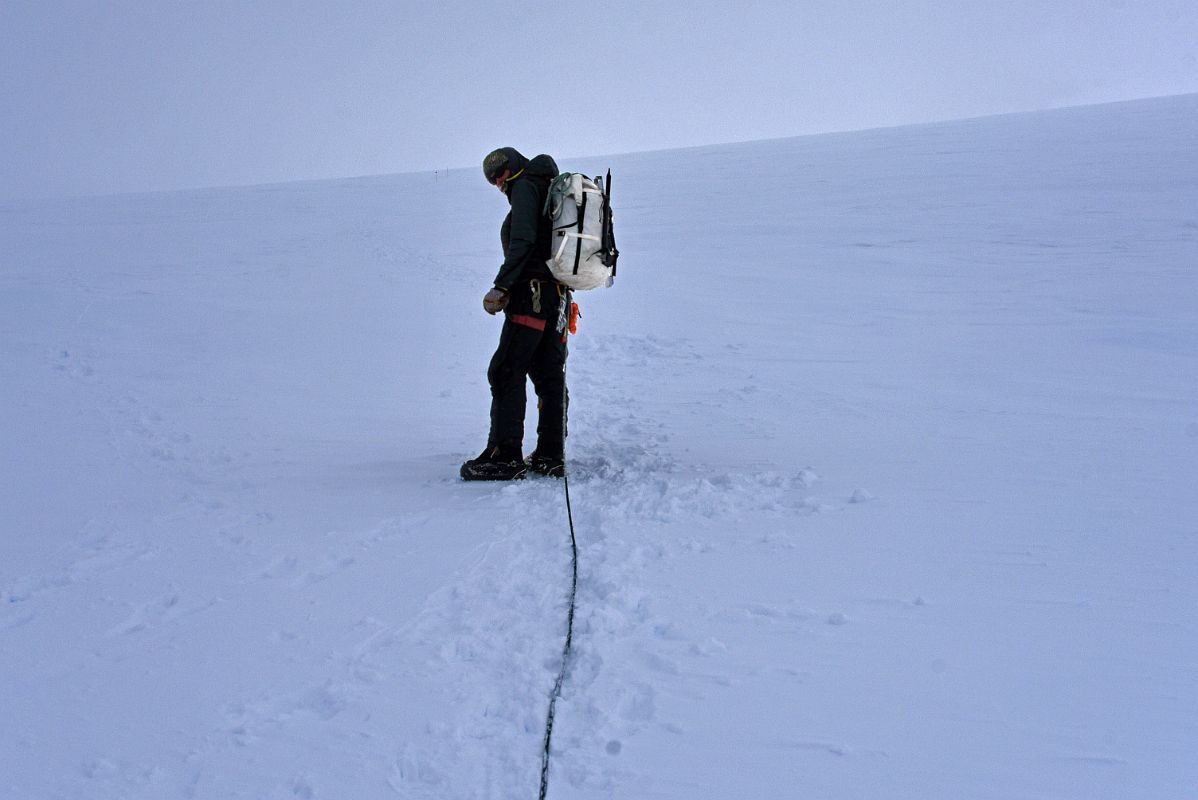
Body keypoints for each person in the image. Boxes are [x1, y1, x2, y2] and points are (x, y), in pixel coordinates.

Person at [460, 147, 570, 481]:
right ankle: (551, 455)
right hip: (556, 299)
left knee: (506, 370)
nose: (498, 182)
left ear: (513, 167)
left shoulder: (525, 186)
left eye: (500, 173)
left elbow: (523, 241)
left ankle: (504, 456)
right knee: (548, 374)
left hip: (531, 295)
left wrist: (502, 287)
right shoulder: (547, 188)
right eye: (493, 179)